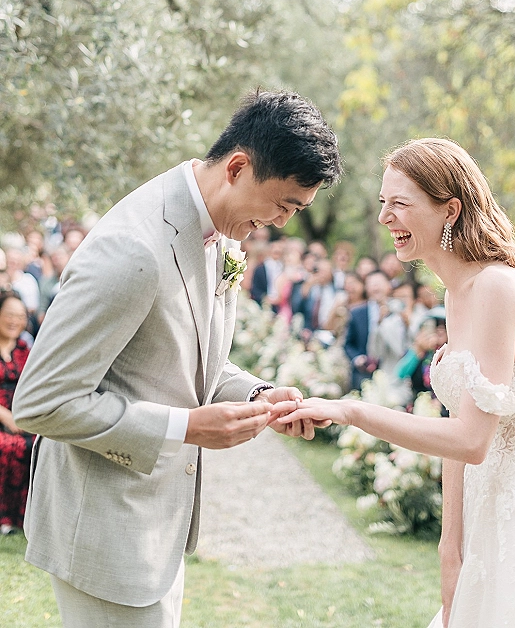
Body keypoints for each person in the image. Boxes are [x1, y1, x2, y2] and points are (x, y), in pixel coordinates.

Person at [13, 90, 342, 628]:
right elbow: (40, 402)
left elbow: (182, 359)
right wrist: (185, 427)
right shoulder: (134, 250)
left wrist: (256, 396)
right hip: (101, 530)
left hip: (156, 529)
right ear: (238, 167)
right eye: (283, 205)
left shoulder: (221, 229)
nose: (281, 222)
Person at [281, 137, 515, 628]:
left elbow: (471, 440)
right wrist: (451, 547)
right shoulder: (458, 293)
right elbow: (461, 426)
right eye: (383, 203)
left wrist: (351, 412)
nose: (384, 218)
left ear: (450, 210)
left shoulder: (496, 287)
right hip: (488, 510)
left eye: (400, 204)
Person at [0, 291, 34, 535]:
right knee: (4, 446)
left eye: (20, 316)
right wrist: (5, 416)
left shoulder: (27, 350)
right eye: (9, 314)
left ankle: (24, 519)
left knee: (37, 446)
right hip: (3, 418)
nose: (14, 320)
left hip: (23, 419)